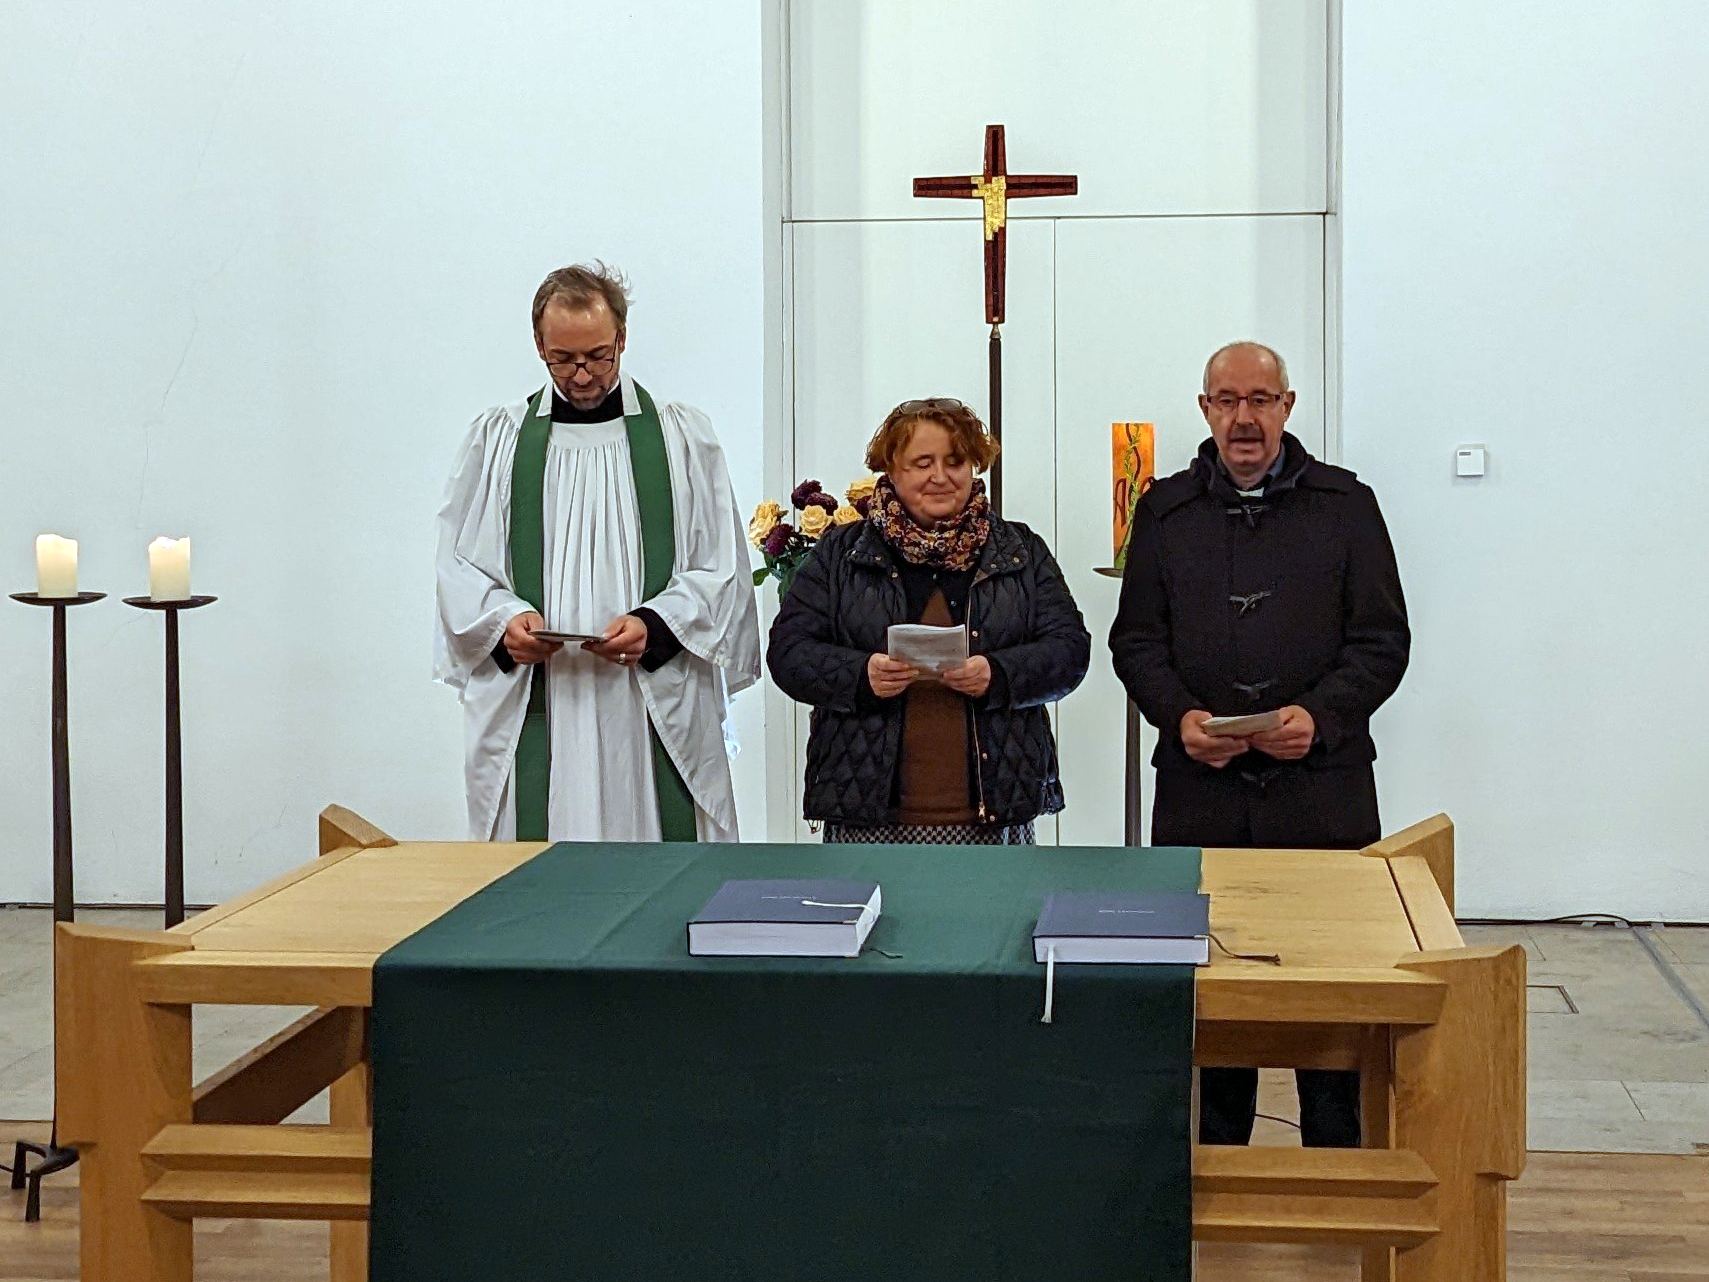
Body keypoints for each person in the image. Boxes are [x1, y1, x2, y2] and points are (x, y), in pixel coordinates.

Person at [1109, 341, 1410, 1148]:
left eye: (1260, 399)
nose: (1243, 418)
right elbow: (1136, 641)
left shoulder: (1346, 506)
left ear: (1287, 406)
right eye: (1227, 400)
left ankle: (1337, 1170)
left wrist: (1320, 716)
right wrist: (1179, 718)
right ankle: (1211, 1169)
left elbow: (1381, 640)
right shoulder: (1166, 510)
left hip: (1321, 791)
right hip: (1201, 792)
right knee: (1211, 1002)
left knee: (1332, 999)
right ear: (1204, 409)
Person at [435, 263, 759, 843]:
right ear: (539, 345)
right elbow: (458, 565)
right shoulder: (499, 440)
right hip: (543, 693)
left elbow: (722, 566)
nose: (582, 374)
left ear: (622, 339)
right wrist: (505, 623)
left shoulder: (681, 437)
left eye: (598, 356)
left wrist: (656, 624)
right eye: (563, 359)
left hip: (645, 699)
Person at [768, 398, 1090, 843]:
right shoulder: (841, 553)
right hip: (867, 817)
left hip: (993, 816)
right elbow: (789, 653)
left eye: (955, 462)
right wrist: (860, 676)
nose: (940, 476)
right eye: (923, 463)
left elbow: (1070, 651)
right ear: (892, 470)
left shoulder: (1019, 549)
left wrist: (999, 675)